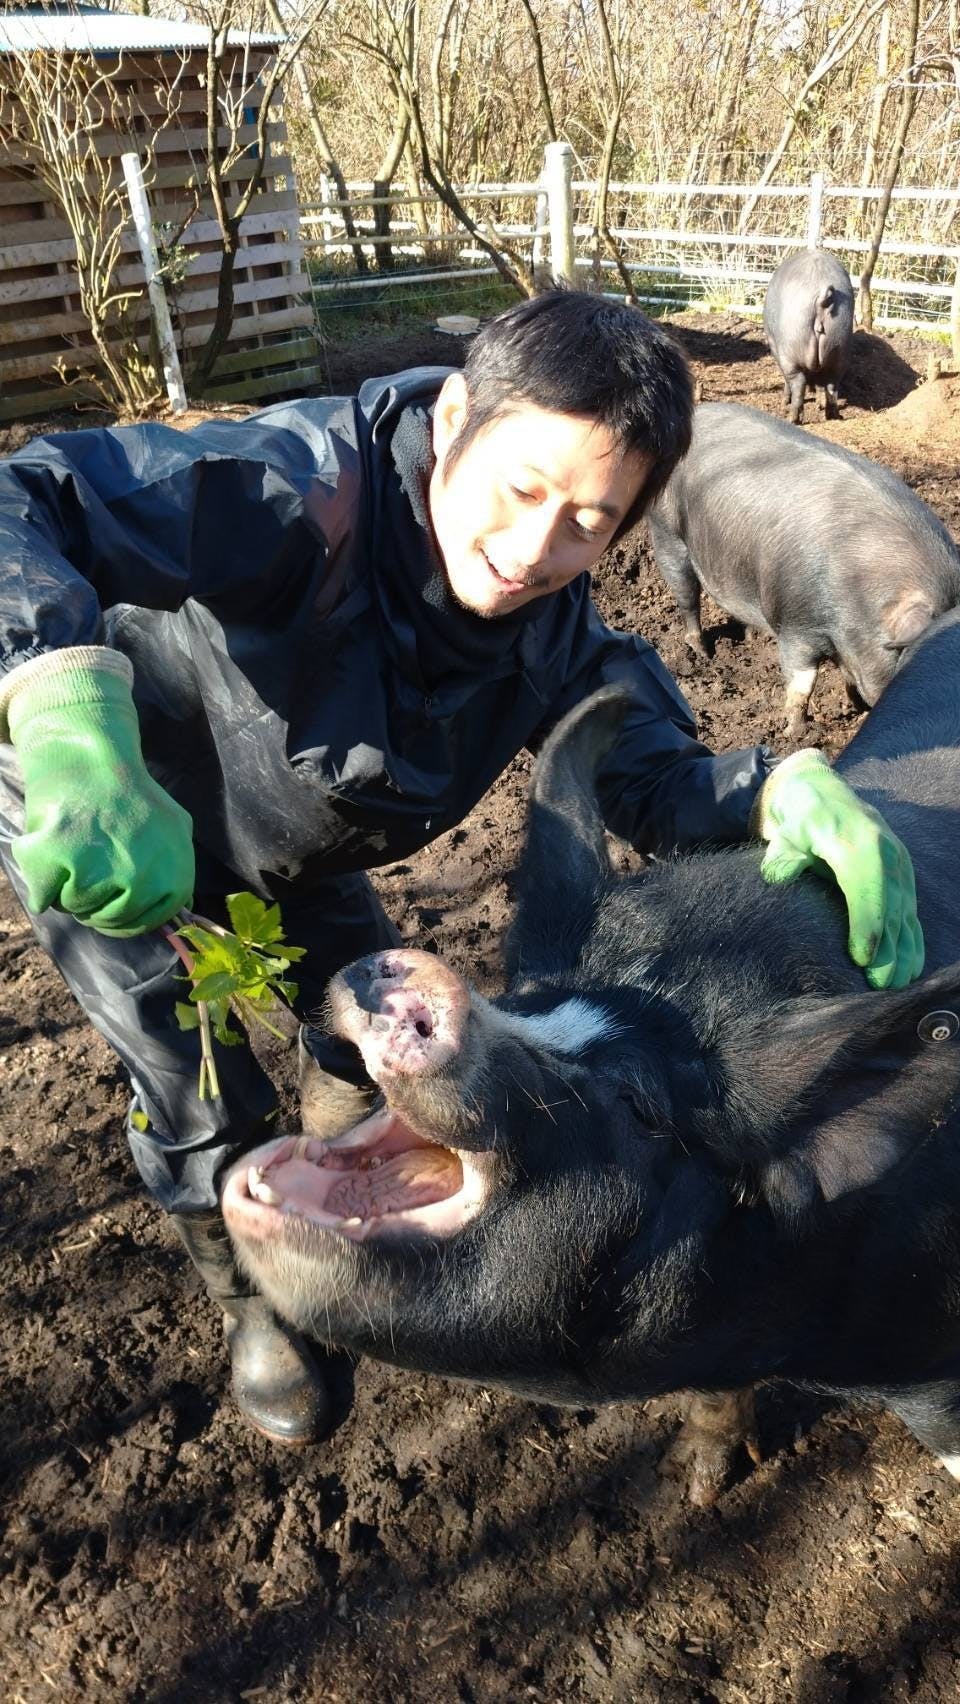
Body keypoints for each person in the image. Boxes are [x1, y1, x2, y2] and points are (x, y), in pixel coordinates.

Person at [0, 291, 922, 1445]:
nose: (538, 548)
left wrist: (771, 787)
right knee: (197, 1087)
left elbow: (641, 764)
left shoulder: (550, 628)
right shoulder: (296, 488)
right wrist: (66, 714)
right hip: (119, 808)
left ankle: (344, 1139)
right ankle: (257, 1300)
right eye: (524, 489)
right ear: (455, 418)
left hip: (307, 838)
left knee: (355, 1014)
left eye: (591, 519)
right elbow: (24, 498)